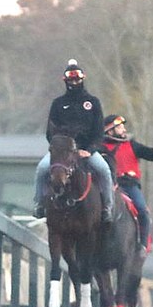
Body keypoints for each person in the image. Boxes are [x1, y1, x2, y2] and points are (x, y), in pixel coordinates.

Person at [33, 59, 114, 223]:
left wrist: (89, 150)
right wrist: (58, 148)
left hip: (86, 149)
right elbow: (50, 131)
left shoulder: (93, 102)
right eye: (71, 80)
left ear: (82, 79)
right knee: (42, 169)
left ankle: (107, 207)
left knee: (104, 170)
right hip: (62, 152)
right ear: (66, 81)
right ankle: (39, 204)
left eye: (77, 79)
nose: (74, 82)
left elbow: (98, 132)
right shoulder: (58, 104)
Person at [99, 114, 153, 256]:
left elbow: (148, 153)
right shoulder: (100, 148)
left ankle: (142, 244)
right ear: (110, 130)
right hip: (109, 186)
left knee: (143, 211)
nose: (123, 129)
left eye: (123, 126)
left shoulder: (131, 144)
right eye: (119, 127)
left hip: (130, 186)